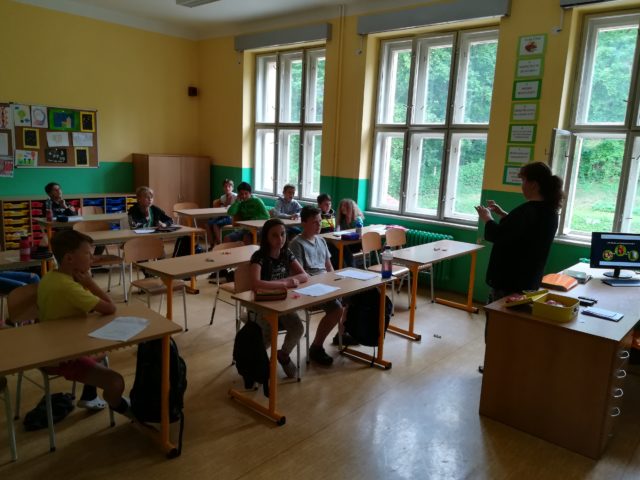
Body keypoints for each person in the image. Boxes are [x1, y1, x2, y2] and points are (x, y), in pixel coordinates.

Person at [37, 229, 131, 416]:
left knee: (100, 350)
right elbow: (110, 307)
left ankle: (89, 396)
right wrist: (90, 284)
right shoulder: (69, 287)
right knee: (116, 382)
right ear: (69, 258)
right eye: (88, 254)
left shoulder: (51, 277)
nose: (93, 258)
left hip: (54, 345)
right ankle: (126, 409)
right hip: (63, 356)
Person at [475, 162, 562, 301]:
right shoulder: (549, 210)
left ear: (534, 184)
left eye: (523, 180)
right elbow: (524, 231)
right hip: (530, 278)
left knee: (499, 313)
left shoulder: (527, 211)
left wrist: (487, 218)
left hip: (510, 280)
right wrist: (503, 214)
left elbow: (499, 235)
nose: (522, 186)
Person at [290, 207, 350, 365]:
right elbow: (301, 275)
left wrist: (337, 281)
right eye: (314, 222)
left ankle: (342, 334)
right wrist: (325, 284)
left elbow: (329, 267)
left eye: (320, 222)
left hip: (325, 283)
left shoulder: (321, 240)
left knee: (353, 295)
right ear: (303, 223)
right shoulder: (296, 244)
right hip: (309, 288)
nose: (319, 225)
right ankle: (316, 347)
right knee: (336, 308)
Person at [249, 218, 309, 378]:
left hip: (282, 302)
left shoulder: (286, 253)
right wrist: (284, 283)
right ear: (266, 237)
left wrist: (285, 282)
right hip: (262, 303)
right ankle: (254, 362)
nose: (280, 239)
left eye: (282, 234)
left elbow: (304, 275)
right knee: (268, 334)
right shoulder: (259, 256)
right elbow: (255, 284)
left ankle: (283, 354)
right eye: (274, 235)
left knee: (298, 328)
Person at [206, 178, 237, 248]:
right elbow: (219, 207)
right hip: (222, 216)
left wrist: (227, 204)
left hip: (231, 218)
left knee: (215, 225)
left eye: (229, 186)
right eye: (225, 186)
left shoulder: (235, 196)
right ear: (223, 188)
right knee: (208, 224)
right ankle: (212, 245)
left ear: (232, 188)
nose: (227, 188)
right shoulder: (222, 197)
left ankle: (220, 245)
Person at [335, 198, 365, 268]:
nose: (342, 208)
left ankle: (350, 266)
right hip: (346, 242)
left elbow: (358, 234)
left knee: (343, 248)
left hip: (355, 243)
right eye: (342, 206)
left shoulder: (357, 219)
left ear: (351, 208)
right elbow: (338, 231)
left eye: (345, 206)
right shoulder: (342, 219)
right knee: (334, 247)